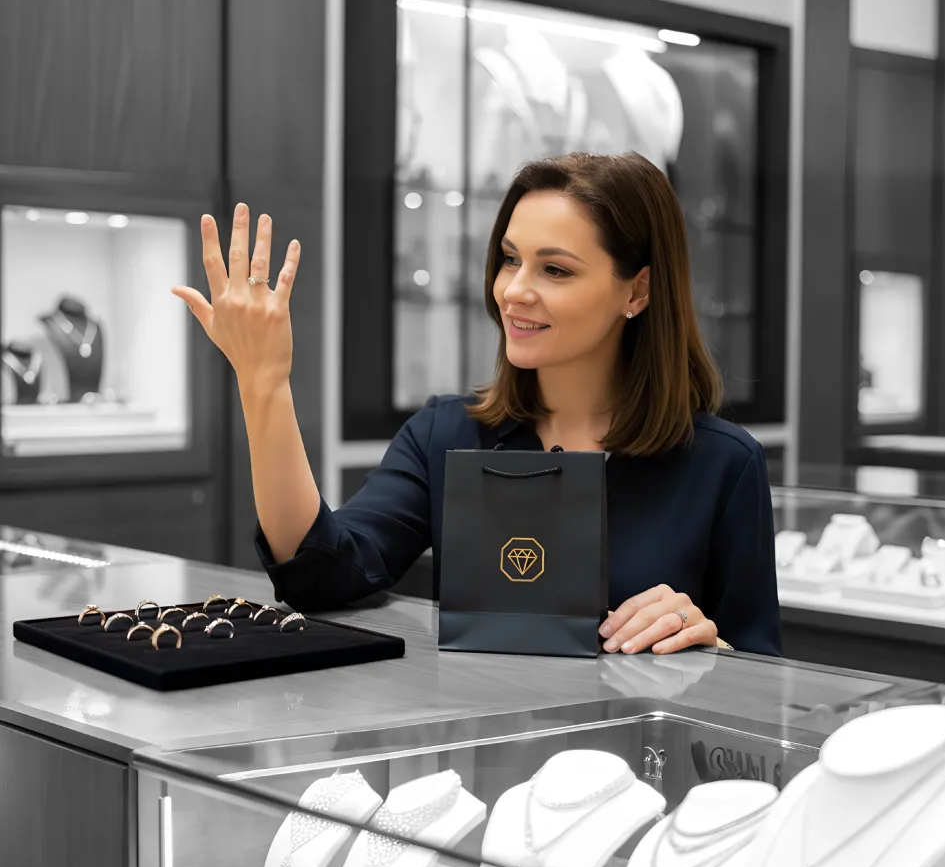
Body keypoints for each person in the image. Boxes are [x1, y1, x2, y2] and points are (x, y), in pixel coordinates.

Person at [172, 152, 781, 657]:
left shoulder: (723, 465)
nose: (514, 290)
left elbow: (765, 681)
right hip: (477, 771)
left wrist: (712, 649)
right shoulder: (445, 434)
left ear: (638, 290)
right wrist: (264, 385)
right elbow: (322, 575)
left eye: (556, 270)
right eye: (511, 259)